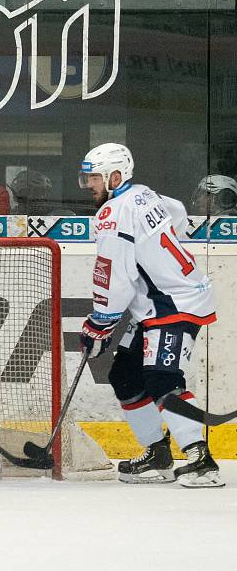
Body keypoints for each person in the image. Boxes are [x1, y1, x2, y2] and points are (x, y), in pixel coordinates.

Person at [78, 143, 223, 488]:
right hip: (156, 305)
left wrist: (100, 323)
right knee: (125, 376)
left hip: (174, 304)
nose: (89, 186)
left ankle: (200, 459)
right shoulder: (143, 194)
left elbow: (115, 275)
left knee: (161, 378)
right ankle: (157, 453)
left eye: (94, 178)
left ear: (115, 176)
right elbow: (175, 213)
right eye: (87, 178)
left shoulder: (113, 214)